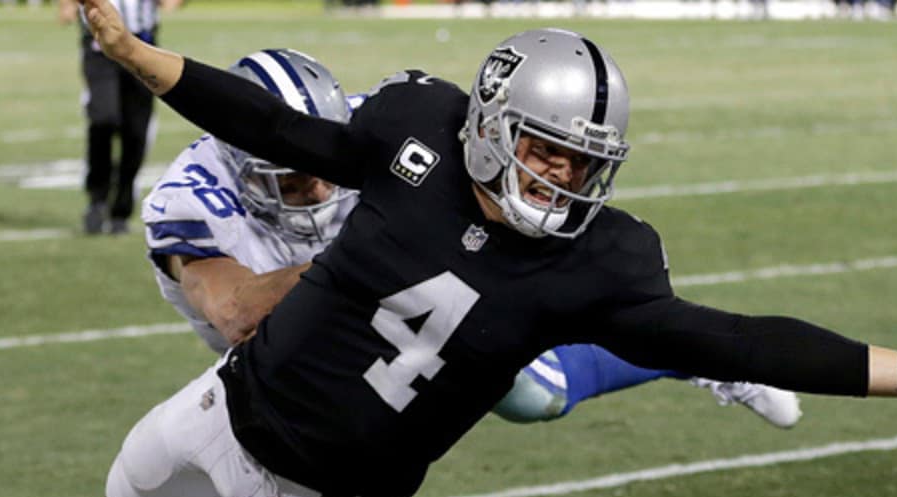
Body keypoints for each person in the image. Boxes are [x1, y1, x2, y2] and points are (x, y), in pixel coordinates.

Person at [80, 1, 897, 497]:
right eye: (547, 150)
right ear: (489, 124)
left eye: (586, 161)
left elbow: (741, 338)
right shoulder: (414, 137)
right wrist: (132, 54)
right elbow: (271, 124)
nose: (566, 179)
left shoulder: (599, 261)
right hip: (228, 406)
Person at [142, 48, 802, 430]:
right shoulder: (190, 198)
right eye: (294, 181)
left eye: (322, 169)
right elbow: (237, 312)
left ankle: (697, 353)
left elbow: (471, 141)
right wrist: (387, 251)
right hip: (325, 322)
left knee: (532, 396)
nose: (319, 190)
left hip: (386, 303)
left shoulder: (369, 119)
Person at [59, 0, 181, 235]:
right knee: (103, 118)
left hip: (142, 48)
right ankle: (97, 199)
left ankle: (121, 209)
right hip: (99, 48)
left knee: (136, 131)